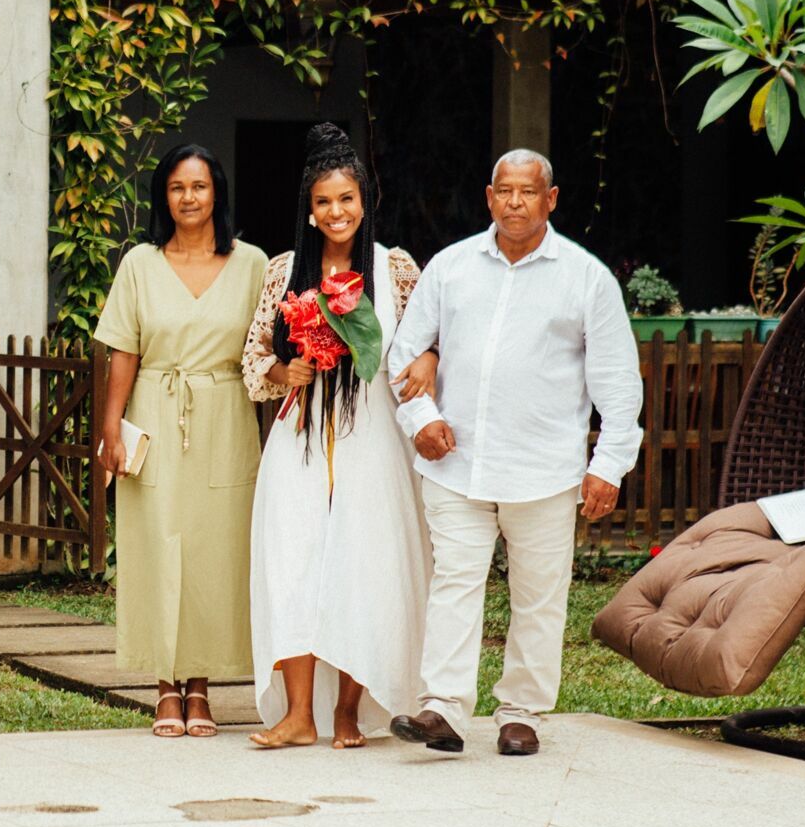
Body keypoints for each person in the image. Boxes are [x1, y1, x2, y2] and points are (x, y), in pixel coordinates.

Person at [384, 149, 642, 756]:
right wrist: (422, 418)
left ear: (551, 199)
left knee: (539, 594)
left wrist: (608, 465)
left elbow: (618, 382)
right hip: (455, 465)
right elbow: (404, 353)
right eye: (505, 191)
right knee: (453, 582)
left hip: (545, 468)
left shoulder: (586, 277)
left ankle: (521, 712)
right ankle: (441, 708)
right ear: (489, 196)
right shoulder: (450, 268)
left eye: (529, 192)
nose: (515, 202)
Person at [240, 123, 436, 749]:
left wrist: (428, 361)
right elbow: (253, 362)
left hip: (373, 439)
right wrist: (283, 369)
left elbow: (429, 341)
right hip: (299, 438)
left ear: (364, 200)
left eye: (346, 199)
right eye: (323, 202)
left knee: (363, 565)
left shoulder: (395, 268)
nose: (335, 212)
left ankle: (349, 711)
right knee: (294, 561)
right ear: (310, 208)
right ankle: (298, 715)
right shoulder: (284, 271)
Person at [95, 143, 267, 738]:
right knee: (156, 545)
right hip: (155, 412)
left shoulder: (252, 264)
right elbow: (123, 352)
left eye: (198, 186)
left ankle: (202, 686)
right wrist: (110, 429)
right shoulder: (139, 264)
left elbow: (267, 353)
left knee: (217, 551)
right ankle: (165, 687)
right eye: (176, 187)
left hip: (225, 415)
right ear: (163, 197)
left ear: (216, 191)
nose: (189, 197)